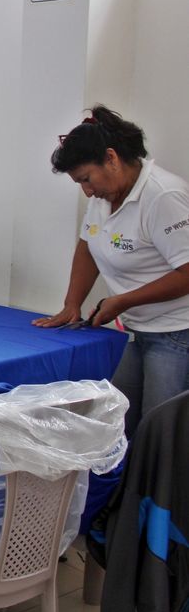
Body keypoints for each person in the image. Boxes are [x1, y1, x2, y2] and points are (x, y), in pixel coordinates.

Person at [33, 105, 189, 437]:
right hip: (136, 329)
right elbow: (87, 246)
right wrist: (72, 303)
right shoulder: (105, 196)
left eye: (86, 179)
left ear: (112, 158)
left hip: (177, 333)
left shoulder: (163, 196)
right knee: (116, 419)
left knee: (160, 430)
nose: (87, 191)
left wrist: (123, 301)